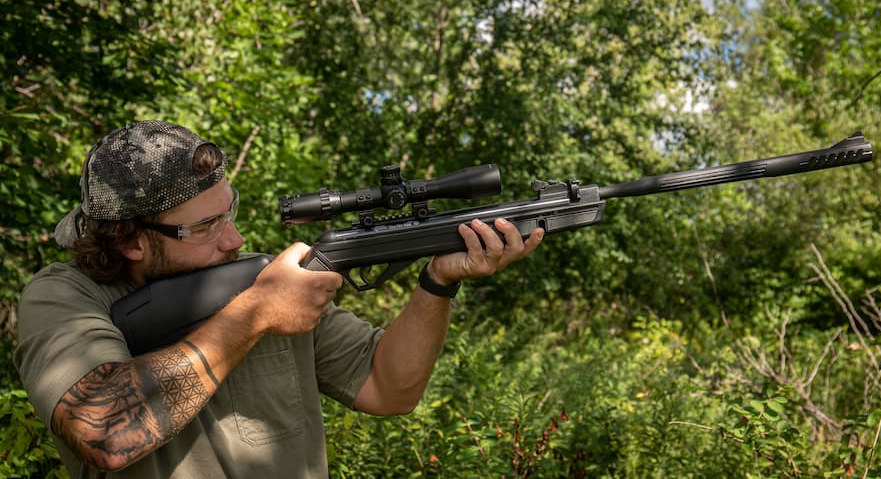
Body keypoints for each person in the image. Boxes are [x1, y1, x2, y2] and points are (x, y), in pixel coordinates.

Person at [14, 120, 544, 478]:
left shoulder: (260, 278)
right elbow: (103, 430)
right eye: (207, 226)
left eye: (230, 212)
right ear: (130, 240)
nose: (235, 240)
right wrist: (257, 315)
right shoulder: (63, 297)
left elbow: (389, 389)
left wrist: (438, 282)